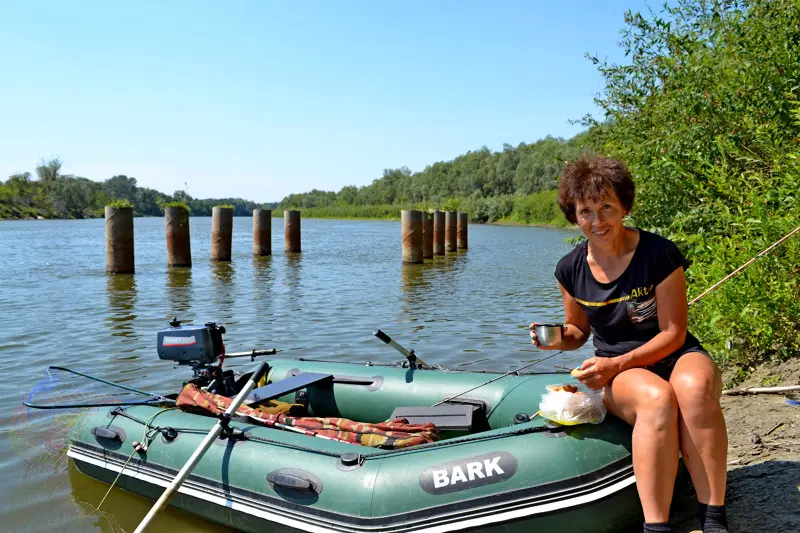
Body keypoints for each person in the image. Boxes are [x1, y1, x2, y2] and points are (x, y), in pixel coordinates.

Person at [530, 154, 729, 533]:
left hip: (674, 352)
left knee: (695, 388)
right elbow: (578, 332)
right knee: (656, 399)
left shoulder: (659, 254)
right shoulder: (568, 269)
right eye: (586, 211)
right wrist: (554, 340)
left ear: (624, 206)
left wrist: (614, 366)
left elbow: (673, 333)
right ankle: (657, 526)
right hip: (621, 369)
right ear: (574, 215)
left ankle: (713, 516)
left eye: (606, 207)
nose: (597, 220)